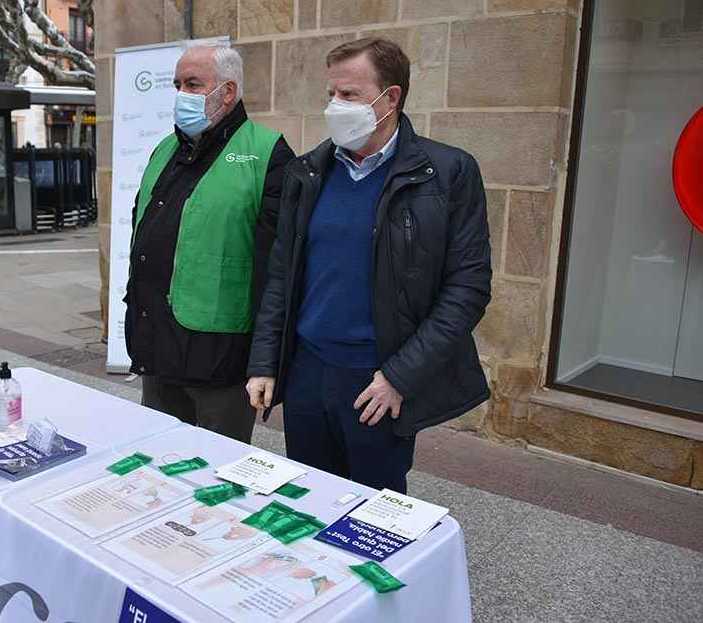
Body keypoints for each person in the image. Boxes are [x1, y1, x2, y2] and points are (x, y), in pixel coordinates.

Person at [246, 37, 492, 493]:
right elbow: (281, 275)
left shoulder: (447, 173)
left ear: (391, 98)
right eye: (331, 95)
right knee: (311, 500)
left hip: (376, 382)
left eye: (350, 95)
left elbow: (468, 288)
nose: (335, 106)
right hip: (306, 374)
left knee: (372, 515)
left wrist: (399, 377)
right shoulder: (308, 172)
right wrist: (265, 361)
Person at [125, 42, 296, 443]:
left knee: (220, 476)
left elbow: (279, 267)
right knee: (162, 463)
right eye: (177, 84)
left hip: (220, 360)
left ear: (228, 92)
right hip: (157, 350)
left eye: (193, 84)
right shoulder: (165, 150)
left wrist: (264, 360)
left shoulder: (267, 154)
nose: (181, 94)